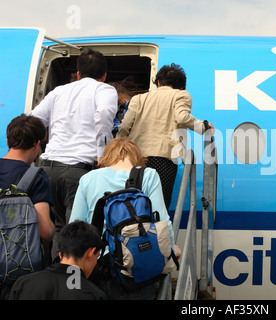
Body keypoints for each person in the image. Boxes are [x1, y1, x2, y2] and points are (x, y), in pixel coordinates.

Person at [30, 48, 118, 259]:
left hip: (48, 169)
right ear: (104, 75)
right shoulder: (104, 90)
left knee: (59, 230)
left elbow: (34, 119)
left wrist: (38, 149)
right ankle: (73, 288)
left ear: (78, 74)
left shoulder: (58, 92)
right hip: (77, 173)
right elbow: (105, 113)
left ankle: (55, 281)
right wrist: (102, 152)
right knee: (76, 235)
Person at [70, 137, 180, 299]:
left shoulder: (88, 178)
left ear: (108, 157)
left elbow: (75, 225)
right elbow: (162, 221)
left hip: (99, 261)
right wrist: (170, 248)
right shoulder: (149, 175)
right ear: (136, 157)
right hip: (138, 261)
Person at [117, 63, 214, 209]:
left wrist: (117, 148)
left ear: (158, 82)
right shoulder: (181, 95)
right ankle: (157, 231)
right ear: (180, 86)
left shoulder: (138, 98)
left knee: (134, 205)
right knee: (158, 206)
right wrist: (204, 127)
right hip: (163, 159)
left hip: (136, 159)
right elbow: (181, 117)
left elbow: (124, 126)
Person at [0, 114, 55, 299]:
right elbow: (45, 231)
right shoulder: (35, 176)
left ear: (8, 141)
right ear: (36, 145)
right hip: (17, 272)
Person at [9, 220, 107, 300]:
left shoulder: (23, 284)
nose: (96, 263)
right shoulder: (94, 295)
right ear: (90, 253)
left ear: (60, 254)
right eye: (96, 256)